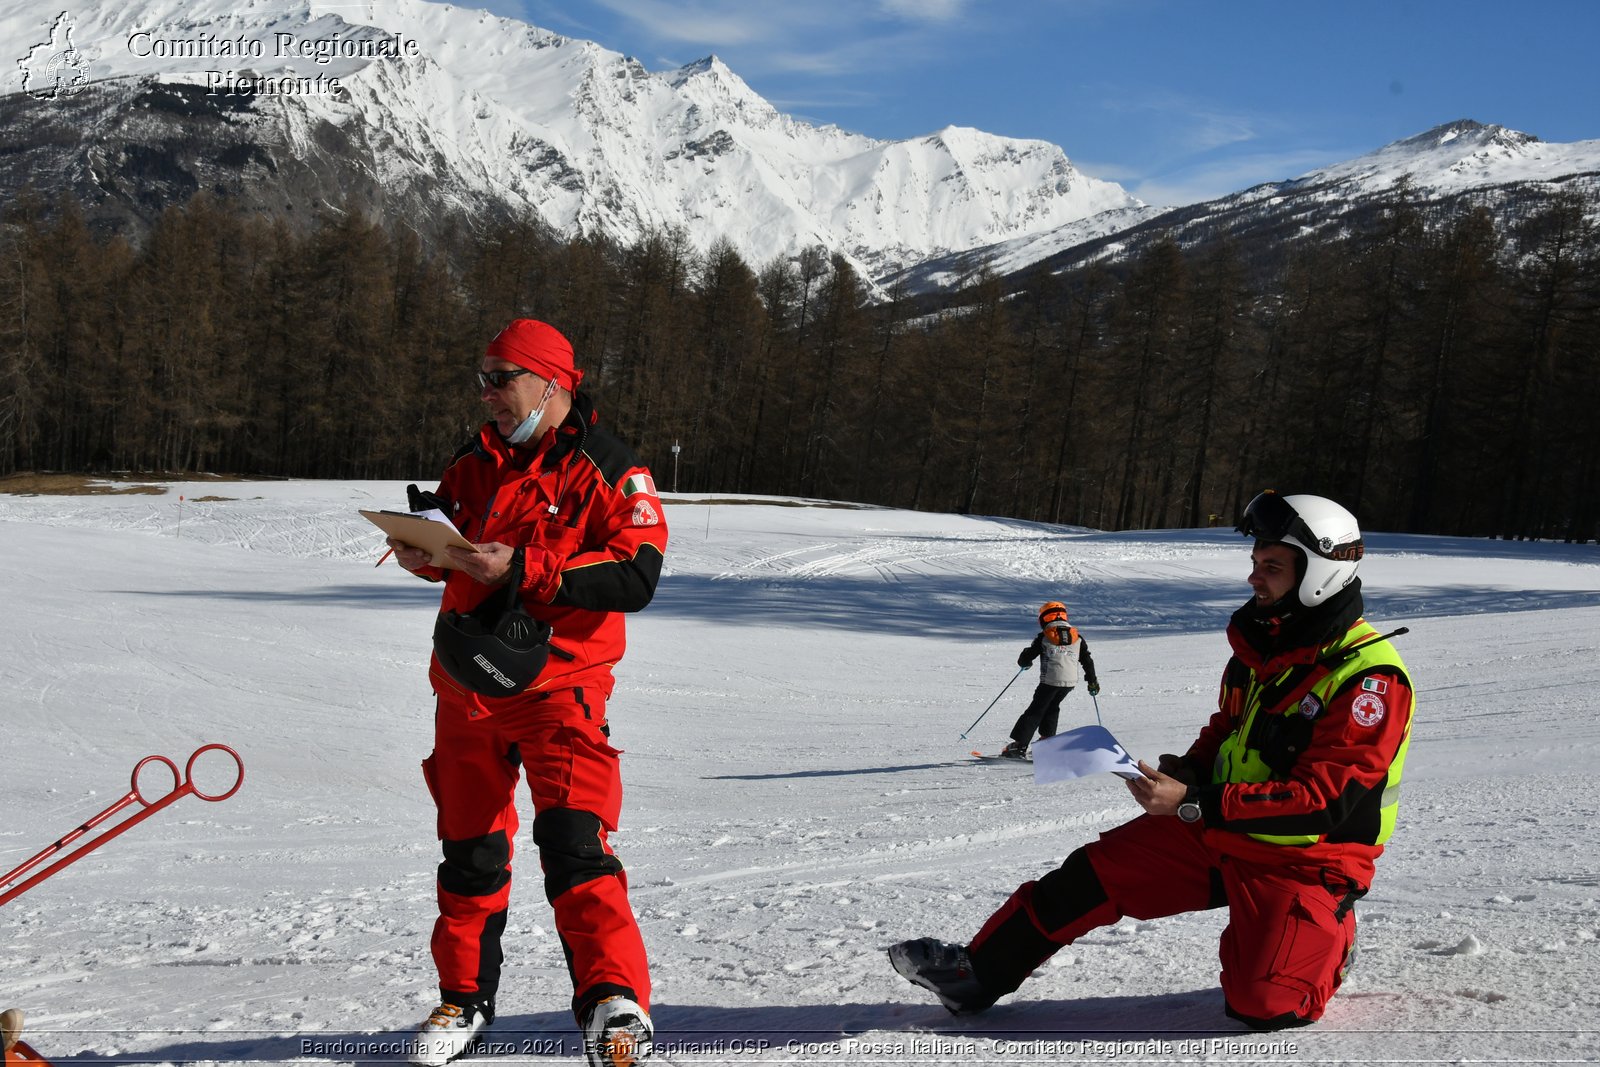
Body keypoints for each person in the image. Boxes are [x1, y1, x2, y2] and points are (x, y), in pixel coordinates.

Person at [891, 491, 1414, 1031]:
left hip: (1304, 859)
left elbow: (1325, 802)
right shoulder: (1263, 650)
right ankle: (978, 973)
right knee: (1091, 876)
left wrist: (1193, 802)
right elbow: (1230, 728)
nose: (1254, 578)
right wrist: (1188, 771)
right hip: (1221, 831)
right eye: (1256, 563)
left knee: (1264, 1005)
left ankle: (1329, 932)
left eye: (1272, 567)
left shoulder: (1368, 680)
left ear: (1321, 574)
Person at [386, 319, 668, 1067]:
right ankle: (465, 997)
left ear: (552, 382)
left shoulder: (612, 469)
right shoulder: (474, 461)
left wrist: (527, 569)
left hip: (560, 691)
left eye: (500, 377)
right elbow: (456, 549)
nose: (487, 393)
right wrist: (422, 551)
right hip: (466, 688)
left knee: (576, 846)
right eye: (482, 377)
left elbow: (637, 574)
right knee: (469, 852)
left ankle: (614, 1001)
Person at [1000, 602, 1100, 758]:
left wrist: (1025, 662)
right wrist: (1092, 681)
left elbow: (1028, 657)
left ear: (1044, 618)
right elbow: (1087, 660)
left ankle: (1019, 746)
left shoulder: (1045, 635)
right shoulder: (1077, 637)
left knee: (1035, 711)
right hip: (1069, 682)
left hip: (1050, 681)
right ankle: (1047, 743)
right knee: (1052, 707)